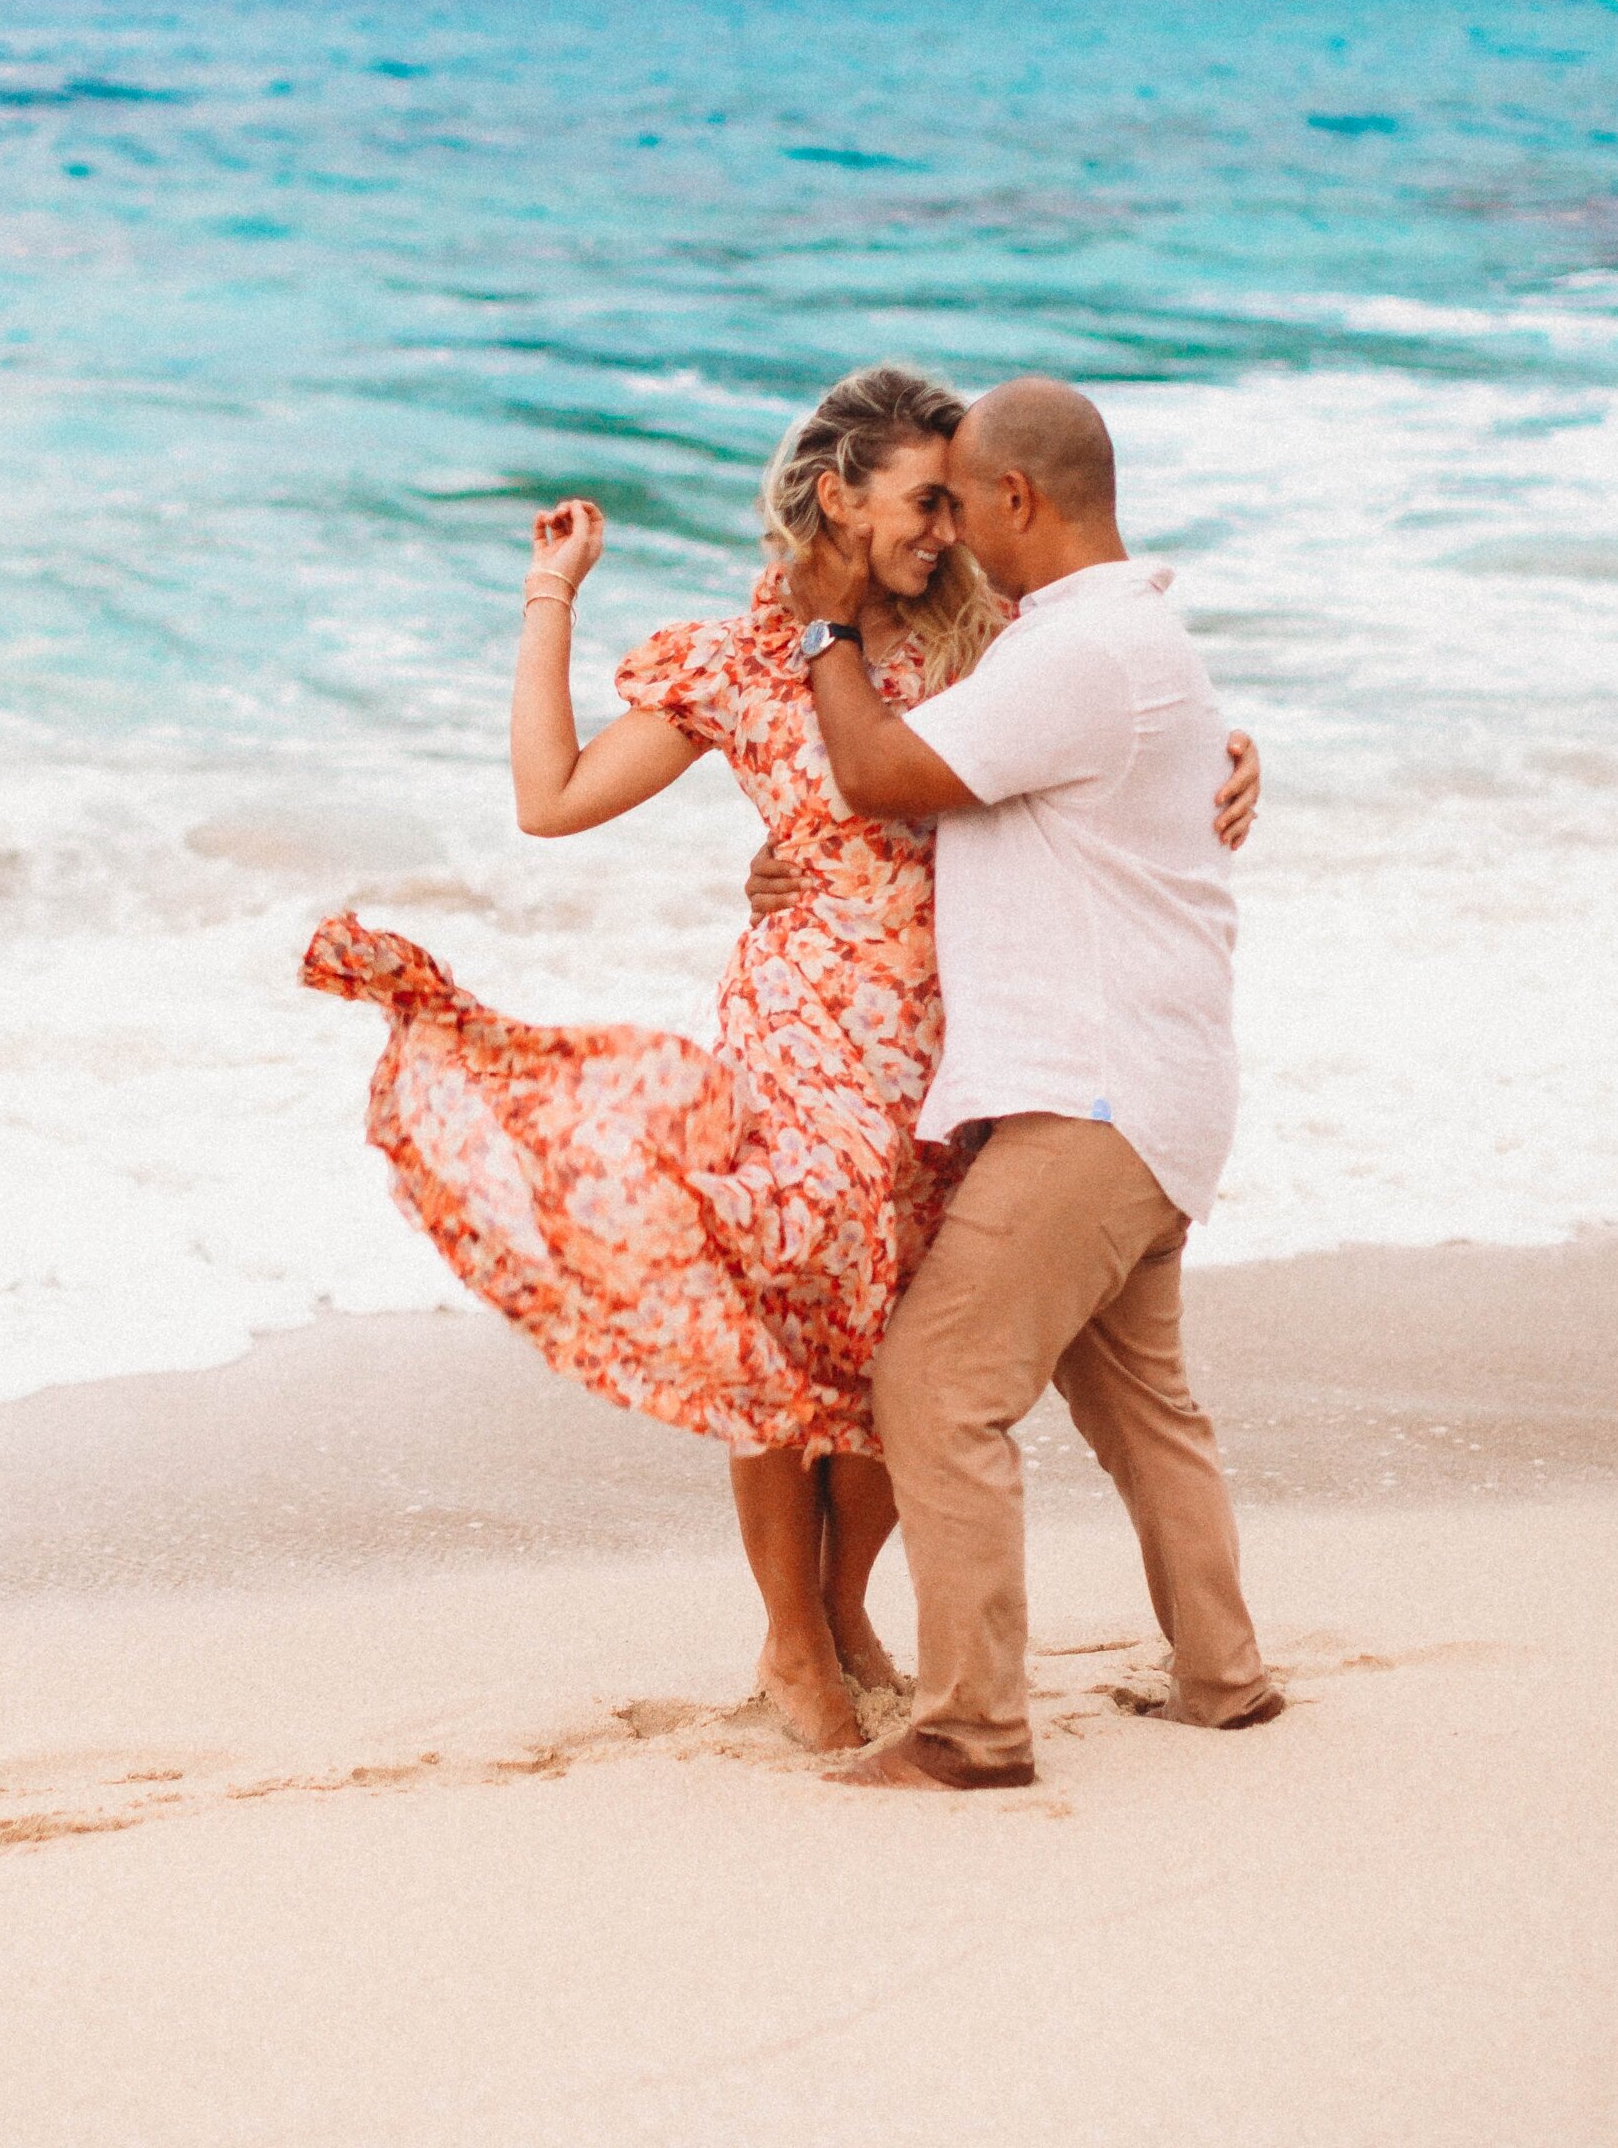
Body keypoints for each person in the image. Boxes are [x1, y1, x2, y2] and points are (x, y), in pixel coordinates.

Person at [303, 365, 1259, 1754]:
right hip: (802, 1028)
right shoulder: (745, 656)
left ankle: (854, 1606)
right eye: (922, 502)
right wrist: (551, 600)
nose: (945, 531)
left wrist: (1229, 757)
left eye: (956, 501)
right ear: (838, 494)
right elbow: (550, 798)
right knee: (774, 1324)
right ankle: (795, 1637)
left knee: (885, 1341)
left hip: (956, 1042)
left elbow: (1123, 713)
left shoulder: (983, 634)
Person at [791, 375, 1278, 1791]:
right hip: (1156, 1089)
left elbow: (881, 771)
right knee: (1142, 1406)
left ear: (1020, 500)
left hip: (1097, 1099)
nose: (948, 532)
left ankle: (972, 1729)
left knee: (935, 1384)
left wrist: (826, 623)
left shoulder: (1076, 656)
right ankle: (1224, 1679)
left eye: (960, 500)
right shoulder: (1126, 642)